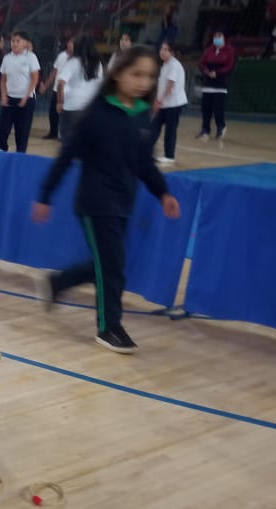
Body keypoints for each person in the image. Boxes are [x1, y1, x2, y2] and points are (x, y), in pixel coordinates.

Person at [32, 46, 181, 354]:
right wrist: (45, 195)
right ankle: (109, 327)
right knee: (112, 266)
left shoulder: (141, 115)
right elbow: (66, 156)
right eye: (136, 73)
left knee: (109, 263)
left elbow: (144, 163)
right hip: (95, 204)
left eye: (149, 75)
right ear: (117, 74)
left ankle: (57, 283)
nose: (143, 81)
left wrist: (163, 192)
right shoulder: (96, 115)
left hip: (124, 202)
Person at [0, 30, 40, 153]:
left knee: (22, 132)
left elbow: (34, 79)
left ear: (25, 43)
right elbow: (3, 79)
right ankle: (2, 153)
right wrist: (4, 96)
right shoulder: (7, 58)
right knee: (2, 130)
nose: (14, 44)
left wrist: (26, 97)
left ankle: (20, 156)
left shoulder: (31, 57)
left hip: (26, 100)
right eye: (13, 41)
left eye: (18, 41)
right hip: (10, 98)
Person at [55, 34, 103, 145]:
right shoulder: (98, 64)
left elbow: (61, 83)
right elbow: (100, 86)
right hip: (89, 107)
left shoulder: (73, 62)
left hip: (71, 106)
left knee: (68, 141)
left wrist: (60, 101)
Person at [152, 40, 187, 164]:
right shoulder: (165, 65)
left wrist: (159, 101)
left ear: (172, 52)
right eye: (162, 49)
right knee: (154, 127)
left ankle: (169, 156)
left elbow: (170, 85)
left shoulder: (174, 65)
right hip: (164, 103)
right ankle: (146, 152)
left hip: (173, 104)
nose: (162, 52)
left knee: (170, 130)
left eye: (166, 49)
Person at [197, 31, 235, 140]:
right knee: (205, 109)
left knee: (218, 109)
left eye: (219, 37)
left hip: (220, 85)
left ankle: (221, 127)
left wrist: (217, 73)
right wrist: (206, 71)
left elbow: (229, 66)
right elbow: (201, 63)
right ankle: (205, 129)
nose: (217, 39)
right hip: (207, 84)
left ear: (224, 38)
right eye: (215, 37)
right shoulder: (209, 50)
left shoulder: (229, 50)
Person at [39, 37, 73, 140]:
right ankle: (53, 132)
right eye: (70, 42)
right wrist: (46, 85)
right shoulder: (61, 56)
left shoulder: (77, 59)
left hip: (69, 91)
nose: (71, 45)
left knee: (65, 114)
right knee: (53, 112)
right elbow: (54, 72)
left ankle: (63, 134)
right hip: (57, 89)